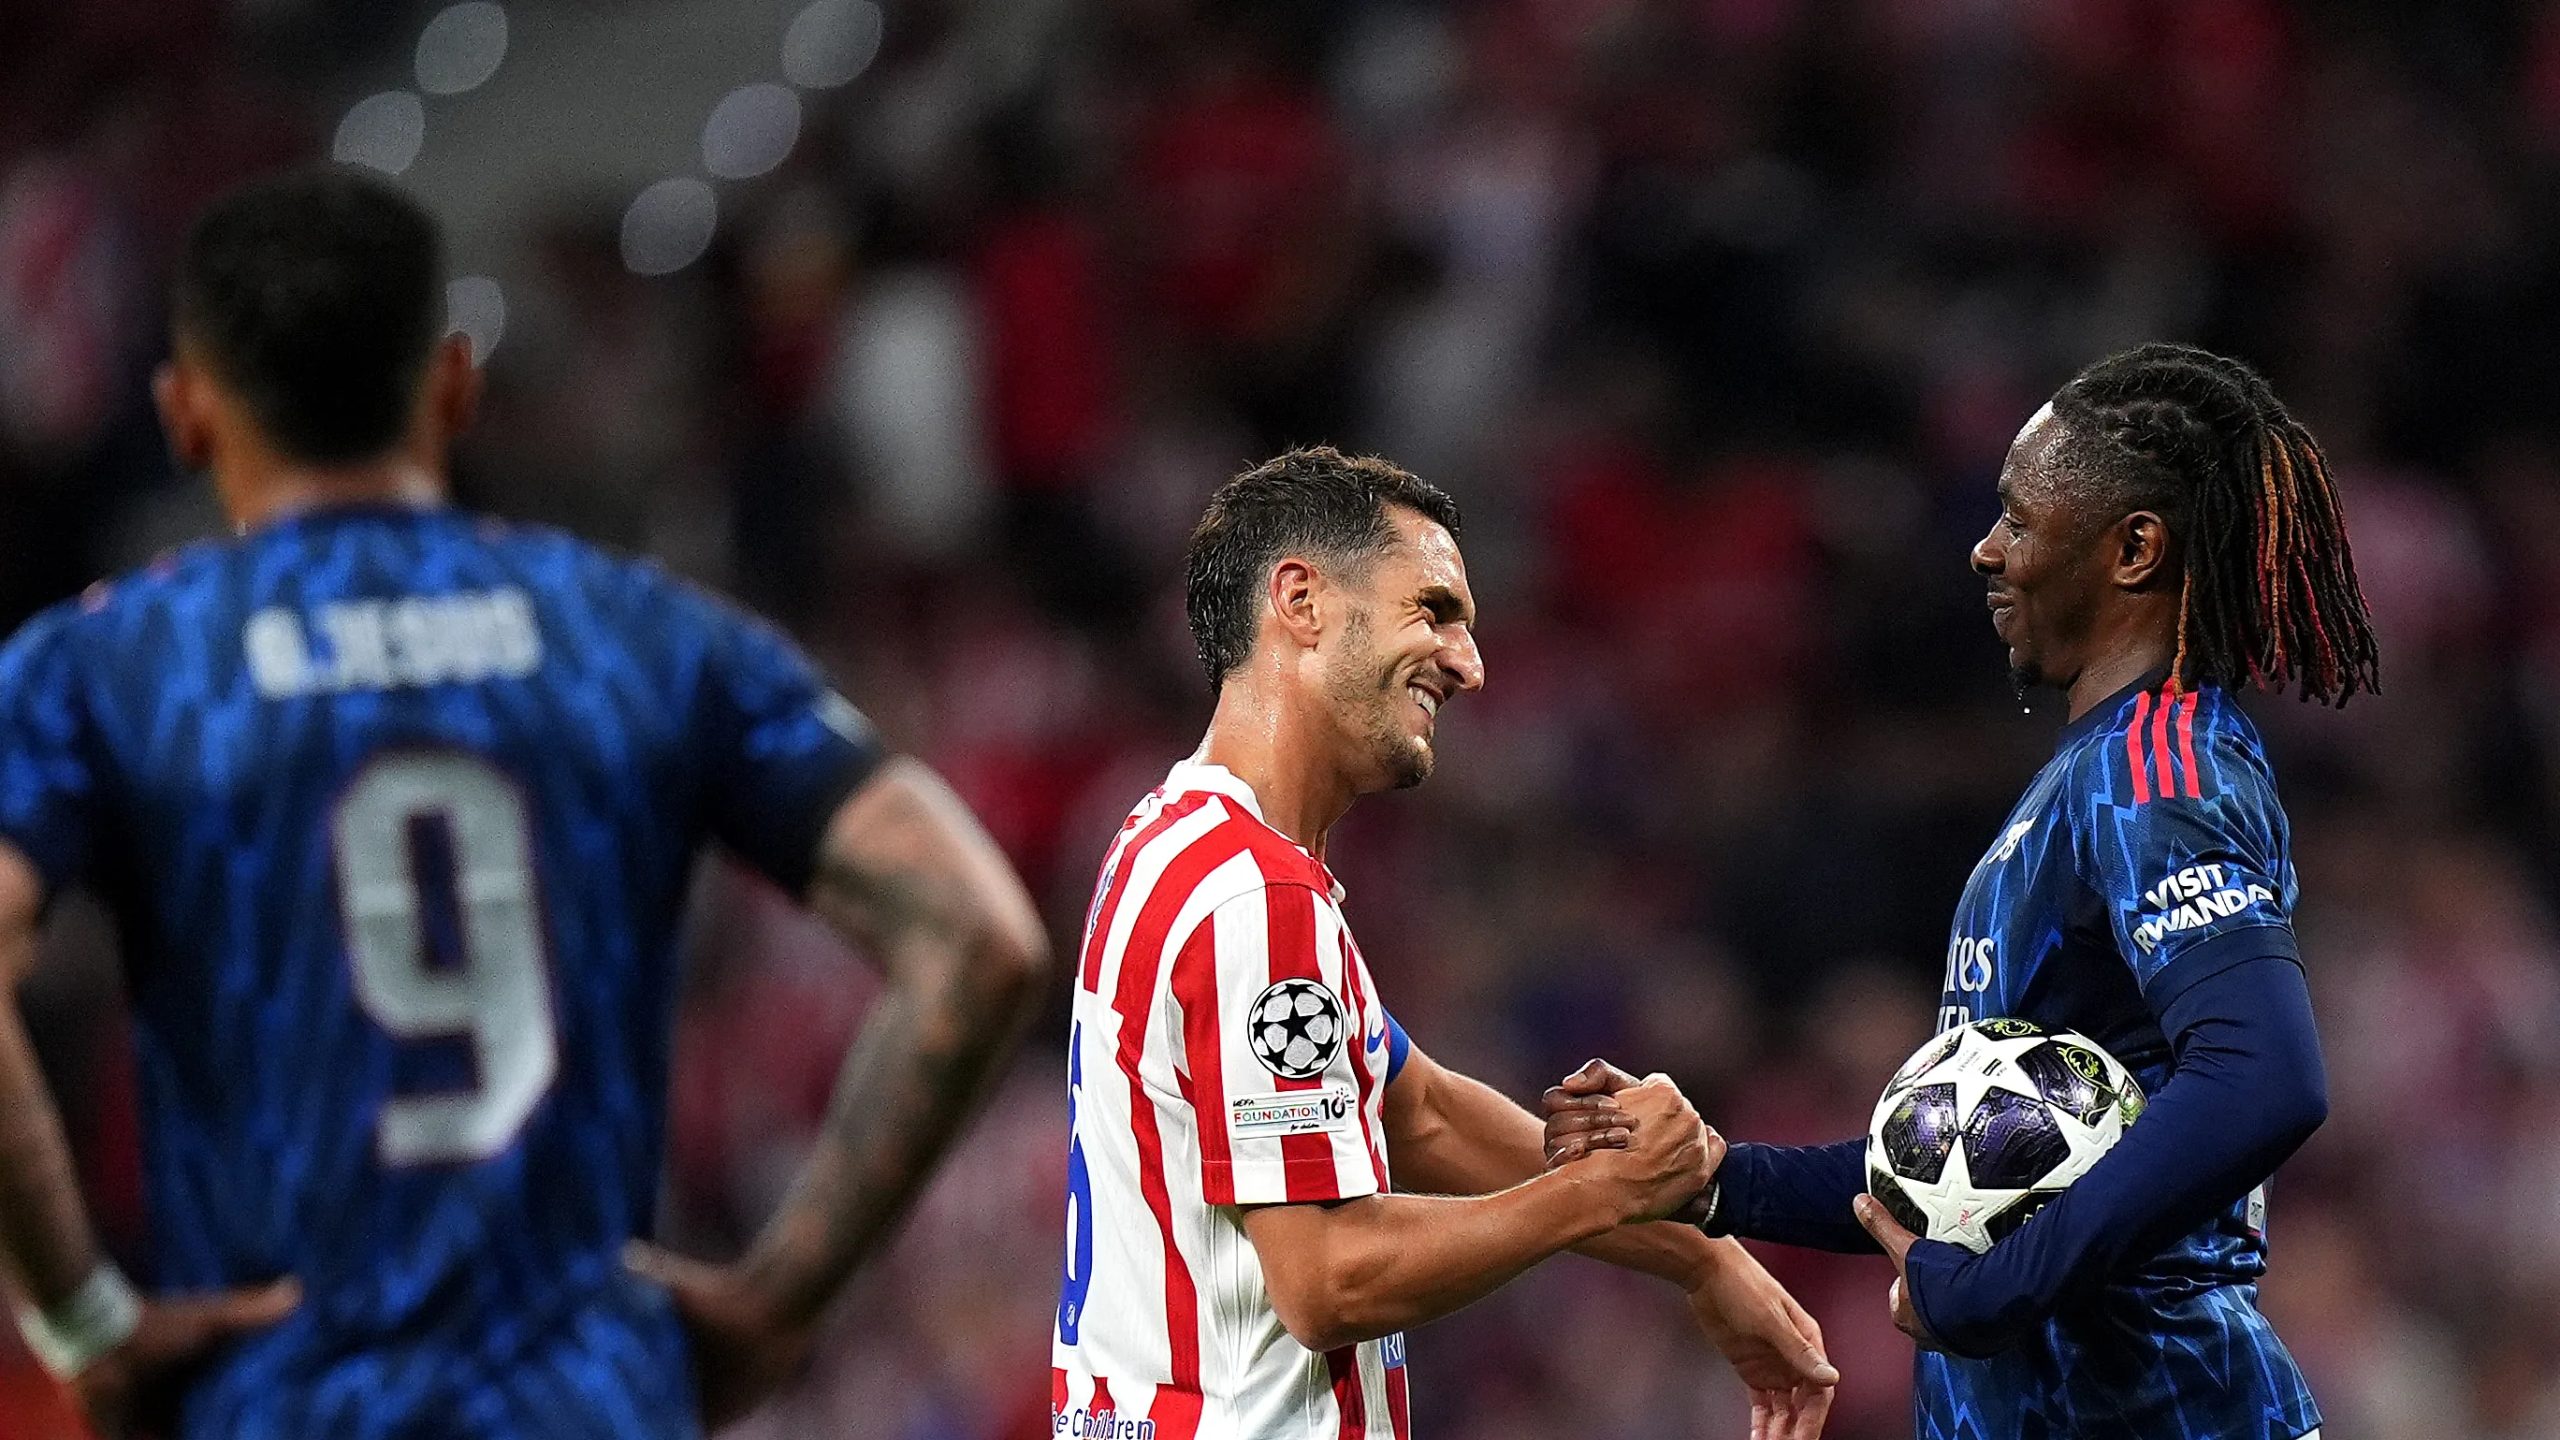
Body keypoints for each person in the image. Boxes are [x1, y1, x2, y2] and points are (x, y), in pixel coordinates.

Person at [0, 168, 1052, 1439]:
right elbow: (978, 937)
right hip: (590, 1400)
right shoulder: (634, 633)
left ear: (184, 413)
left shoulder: (118, 668)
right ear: (453, 383)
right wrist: (780, 1300)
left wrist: (81, 1319)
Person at [1548, 343, 2374, 1440]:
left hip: (2155, 1408)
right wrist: (1717, 1179)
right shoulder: (2086, 778)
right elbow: (1978, 1168)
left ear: (2133, 549)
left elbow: (2264, 1074)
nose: (1985, 549)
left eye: (2020, 520)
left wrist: (1999, 1288)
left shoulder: (2157, 769)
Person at [1050, 446, 1838, 1440]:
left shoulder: (1167, 839)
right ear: (1300, 601)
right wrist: (1595, 1195)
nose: (1468, 665)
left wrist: (1698, 1255)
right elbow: (1327, 1280)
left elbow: (1416, 1111)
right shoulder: (1258, 899)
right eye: (1432, 611)